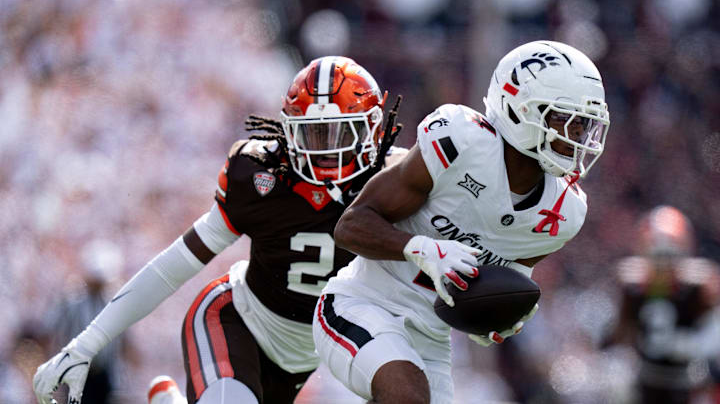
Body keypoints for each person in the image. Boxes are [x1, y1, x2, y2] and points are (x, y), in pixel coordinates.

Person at [33, 55, 405, 404]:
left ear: (373, 129)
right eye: (313, 135)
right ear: (289, 132)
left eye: (339, 135)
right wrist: (86, 343)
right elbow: (174, 265)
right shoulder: (260, 175)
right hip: (235, 320)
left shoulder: (394, 182)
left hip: (304, 355)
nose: (327, 153)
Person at [312, 40, 611, 404]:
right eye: (566, 120)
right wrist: (420, 249)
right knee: (407, 395)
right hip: (362, 304)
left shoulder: (562, 212)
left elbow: (507, 281)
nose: (577, 138)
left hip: (431, 342)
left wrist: (501, 319)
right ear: (519, 109)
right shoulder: (462, 141)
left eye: (584, 126)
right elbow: (350, 226)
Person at [605, 205, 720, 404]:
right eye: (657, 255)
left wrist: (690, 345)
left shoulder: (698, 285)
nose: (664, 264)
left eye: (670, 255)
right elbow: (620, 334)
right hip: (645, 381)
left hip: (689, 382)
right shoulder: (632, 285)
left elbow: (714, 335)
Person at [41, 239, 132, 404]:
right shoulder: (72, 301)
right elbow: (51, 330)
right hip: (78, 371)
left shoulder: (112, 302)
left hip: (105, 373)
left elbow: (124, 343)